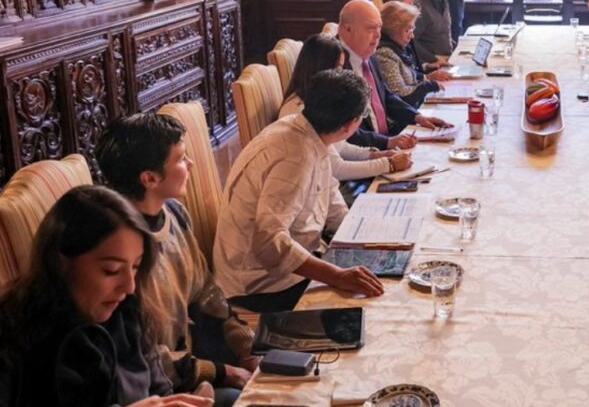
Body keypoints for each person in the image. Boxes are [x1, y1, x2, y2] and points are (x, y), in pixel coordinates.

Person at [0, 185, 213, 407]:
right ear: (61, 262)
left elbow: (158, 390)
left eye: (135, 267)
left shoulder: (127, 312)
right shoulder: (14, 333)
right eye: (111, 270)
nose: (129, 287)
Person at [95, 114, 255, 403]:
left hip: (191, 362)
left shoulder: (175, 213)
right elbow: (143, 357)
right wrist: (221, 372)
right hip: (158, 385)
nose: (190, 165)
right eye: (181, 158)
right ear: (149, 178)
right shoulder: (118, 247)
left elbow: (204, 291)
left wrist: (244, 347)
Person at [213, 69, 386, 312]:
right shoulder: (294, 156)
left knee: (383, 271)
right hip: (260, 285)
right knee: (371, 305)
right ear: (350, 125)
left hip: (291, 262)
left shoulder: (308, 131)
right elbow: (269, 243)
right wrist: (336, 275)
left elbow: (331, 199)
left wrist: (362, 240)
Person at [279, 34, 413, 178]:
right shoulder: (298, 108)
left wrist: (377, 155)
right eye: (338, 67)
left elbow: (340, 147)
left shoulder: (319, 99)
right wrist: (388, 164)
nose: (341, 74)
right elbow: (336, 169)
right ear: (321, 66)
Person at [336, 0, 451, 150]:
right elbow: (343, 131)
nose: (378, 35)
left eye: (379, 27)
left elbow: (386, 96)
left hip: (387, 139)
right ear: (346, 29)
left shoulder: (368, 53)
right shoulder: (334, 63)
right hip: (363, 154)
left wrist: (417, 117)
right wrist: (387, 143)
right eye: (371, 28)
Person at [377, 1, 452, 108]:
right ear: (393, 29)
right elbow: (401, 95)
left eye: (412, 29)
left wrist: (427, 77)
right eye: (408, 29)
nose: (412, 36)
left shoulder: (398, 46)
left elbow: (409, 75)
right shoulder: (385, 53)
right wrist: (429, 85)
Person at [413, 0, 455, 65]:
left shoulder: (443, 0)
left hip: (448, 57)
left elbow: (444, 33)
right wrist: (433, 59)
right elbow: (411, 41)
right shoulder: (419, 6)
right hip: (433, 62)